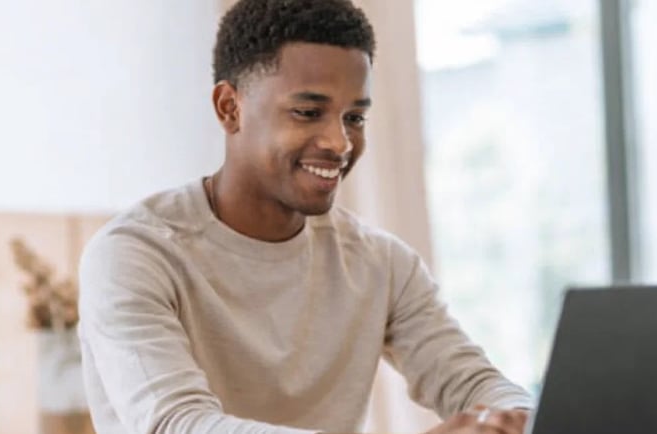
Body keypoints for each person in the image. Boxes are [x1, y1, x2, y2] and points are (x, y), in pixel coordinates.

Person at [78, 1, 532, 433]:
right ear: (229, 108)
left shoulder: (383, 264)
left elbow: (474, 383)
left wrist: (516, 417)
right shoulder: (135, 255)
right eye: (308, 113)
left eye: (354, 117)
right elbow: (178, 424)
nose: (339, 143)